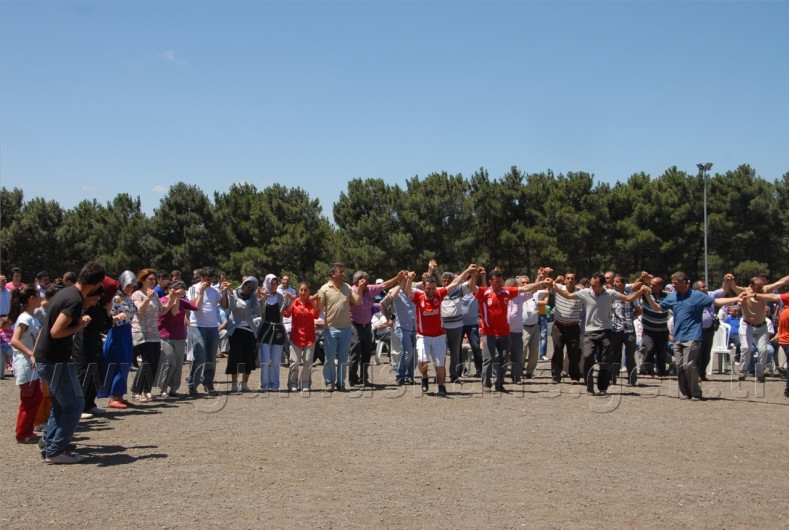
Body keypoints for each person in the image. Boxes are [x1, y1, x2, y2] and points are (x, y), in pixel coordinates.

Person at [34, 261, 105, 464]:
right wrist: (79, 326)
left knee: (61, 405)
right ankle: (56, 451)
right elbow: (56, 332)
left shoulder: (65, 293)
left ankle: (51, 446)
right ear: (96, 284)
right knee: (75, 404)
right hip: (55, 360)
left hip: (48, 358)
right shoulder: (74, 300)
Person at [643, 272, 740, 399]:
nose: (673, 285)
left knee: (689, 365)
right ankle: (686, 392)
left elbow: (717, 301)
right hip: (678, 336)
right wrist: (648, 296)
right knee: (679, 366)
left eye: (675, 283)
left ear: (684, 282)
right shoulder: (672, 297)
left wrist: (737, 298)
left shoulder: (697, 295)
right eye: (672, 283)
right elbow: (657, 308)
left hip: (693, 335)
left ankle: (696, 392)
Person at [552, 272, 645, 396]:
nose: (592, 286)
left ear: (602, 285)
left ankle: (602, 386)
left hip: (606, 332)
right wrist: (555, 286)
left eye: (594, 285)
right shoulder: (585, 293)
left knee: (605, 360)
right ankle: (589, 385)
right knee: (587, 357)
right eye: (591, 284)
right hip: (590, 332)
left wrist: (641, 291)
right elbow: (568, 296)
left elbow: (628, 298)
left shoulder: (610, 293)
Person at [472, 268, 548, 392]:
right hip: (489, 333)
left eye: (500, 281)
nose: (499, 284)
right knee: (489, 359)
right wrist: (474, 275)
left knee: (503, 359)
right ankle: (486, 384)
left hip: (504, 333)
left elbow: (525, 288)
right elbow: (472, 287)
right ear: (491, 282)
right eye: (496, 281)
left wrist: (541, 282)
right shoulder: (484, 292)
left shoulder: (506, 292)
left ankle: (499, 383)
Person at [729, 274, 789, 382]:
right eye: (759, 287)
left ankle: (760, 374)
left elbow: (780, 282)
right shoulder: (744, 291)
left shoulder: (764, 290)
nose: (761, 288)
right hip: (747, 325)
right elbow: (733, 286)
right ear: (751, 286)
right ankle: (742, 372)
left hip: (762, 326)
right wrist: (729, 279)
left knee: (763, 350)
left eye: (762, 286)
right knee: (746, 348)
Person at [348, 270, 399, 387]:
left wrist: (397, 278)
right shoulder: (352, 291)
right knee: (355, 352)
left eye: (367, 280)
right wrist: (360, 289)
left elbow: (384, 285)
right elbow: (356, 302)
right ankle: (353, 378)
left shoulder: (369, 289)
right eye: (363, 280)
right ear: (356, 281)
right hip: (355, 325)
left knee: (366, 353)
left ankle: (364, 378)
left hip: (367, 326)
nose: (366, 282)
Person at [131, 269, 175, 402]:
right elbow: (139, 311)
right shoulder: (137, 294)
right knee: (147, 360)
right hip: (141, 331)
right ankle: (136, 391)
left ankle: (147, 390)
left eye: (154, 279)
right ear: (142, 280)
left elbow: (163, 311)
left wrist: (173, 298)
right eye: (150, 279)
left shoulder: (154, 294)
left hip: (154, 332)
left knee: (154, 361)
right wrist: (148, 298)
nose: (153, 281)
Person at [317, 263, 361, 391]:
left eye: (343, 271)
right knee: (329, 358)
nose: (343, 274)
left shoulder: (347, 287)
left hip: (346, 328)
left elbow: (356, 301)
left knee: (343, 358)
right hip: (330, 328)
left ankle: (341, 382)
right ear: (332, 274)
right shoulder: (324, 289)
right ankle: (329, 382)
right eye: (340, 272)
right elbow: (319, 307)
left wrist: (360, 289)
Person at [9, 284, 43, 443]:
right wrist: (31, 354)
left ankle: (27, 431)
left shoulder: (32, 318)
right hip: (24, 363)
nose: (41, 298)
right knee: (30, 399)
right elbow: (14, 340)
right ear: (31, 298)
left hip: (30, 364)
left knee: (35, 397)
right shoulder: (25, 318)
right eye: (38, 295)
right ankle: (23, 433)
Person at [101, 271, 137, 409]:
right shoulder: (114, 298)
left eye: (132, 286)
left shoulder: (128, 298)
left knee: (126, 363)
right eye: (128, 286)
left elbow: (136, 311)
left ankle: (120, 395)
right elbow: (107, 316)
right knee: (118, 363)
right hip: (116, 332)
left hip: (126, 332)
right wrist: (116, 317)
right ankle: (114, 396)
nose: (130, 289)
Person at [186, 267, 223, 397]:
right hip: (198, 326)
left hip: (213, 327)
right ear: (201, 277)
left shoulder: (214, 291)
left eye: (211, 279)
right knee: (200, 356)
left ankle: (208, 384)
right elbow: (195, 306)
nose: (209, 282)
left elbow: (224, 305)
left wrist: (225, 292)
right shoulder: (193, 289)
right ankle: (193, 385)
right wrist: (201, 292)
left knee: (211, 357)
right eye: (207, 279)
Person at [72, 285, 107, 418]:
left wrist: (109, 313)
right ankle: (79, 407)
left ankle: (89, 403)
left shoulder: (99, 306)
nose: (97, 300)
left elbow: (105, 325)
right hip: (83, 341)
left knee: (97, 371)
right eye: (96, 297)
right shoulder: (81, 306)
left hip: (96, 340)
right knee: (84, 372)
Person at [157, 280, 195, 398]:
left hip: (180, 335)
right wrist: (175, 298)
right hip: (165, 335)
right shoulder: (162, 300)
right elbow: (174, 312)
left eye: (182, 293)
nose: (181, 294)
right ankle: (163, 388)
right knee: (169, 362)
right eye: (179, 291)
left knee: (178, 364)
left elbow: (195, 306)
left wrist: (202, 292)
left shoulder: (182, 301)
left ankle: (174, 389)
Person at [222, 276, 259, 393]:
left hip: (249, 330)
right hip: (236, 330)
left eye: (250, 286)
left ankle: (244, 383)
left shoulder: (253, 297)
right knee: (235, 356)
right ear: (243, 284)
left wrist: (260, 299)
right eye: (246, 284)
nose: (247, 287)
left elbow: (257, 311)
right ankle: (234, 383)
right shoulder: (233, 293)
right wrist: (230, 294)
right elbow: (232, 308)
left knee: (248, 356)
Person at [257, 274, 292, 392]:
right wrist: (262, 300)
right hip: (265, 329)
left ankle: (275, 385)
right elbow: (260, 313)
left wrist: (289, 301)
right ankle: (264, 384)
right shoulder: (262, 296)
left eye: (276, 284)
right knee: (265, 360)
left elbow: (284, 312)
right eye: (271, 284)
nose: (274, 286)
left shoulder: (280, 297)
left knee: (276, 361)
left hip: (278, 329)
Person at [284, 281, 321, 391]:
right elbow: (287, 313)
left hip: (309, 337)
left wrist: (315, 302)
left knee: (308, 362)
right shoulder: (294, 302)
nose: (303, 292)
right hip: (296, 336)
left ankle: (305, 383)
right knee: (295, 362)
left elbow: (316, 315)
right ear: (298, 291)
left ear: (309, 291)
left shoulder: (311, 302)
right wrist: (291, 300)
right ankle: (292, 383)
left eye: (305, 290)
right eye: (301, 290)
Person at [550, 271, 583, 384]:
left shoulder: (580, 292)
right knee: (557, 351)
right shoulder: (558, 287)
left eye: (572, 278)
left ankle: (575, 377)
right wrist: (553, 280)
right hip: (558, 326)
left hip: (573, 326)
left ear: (575, 280)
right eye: (568, 278)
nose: (570, 280)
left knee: (574, 352)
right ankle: (556, 376)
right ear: (564, 280)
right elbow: (547, 286)